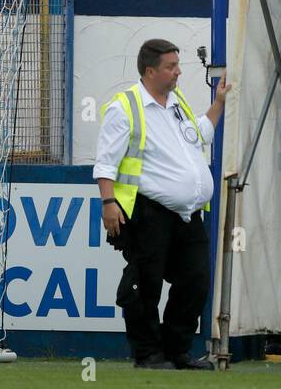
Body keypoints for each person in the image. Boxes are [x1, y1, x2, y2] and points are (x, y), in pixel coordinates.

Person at [94, 39, 230, 370]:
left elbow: (197, 135)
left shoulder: (176, 102)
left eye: (177, 65)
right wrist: (109, 202)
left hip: (188, 215)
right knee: (145, 285)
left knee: (195, 281)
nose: (178, 72)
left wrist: (219, 103)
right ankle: (147, 354)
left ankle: (177, 350)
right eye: (171, 66)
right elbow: (105, 163)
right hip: (149, 212)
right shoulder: (124, 107)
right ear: (150, 70)